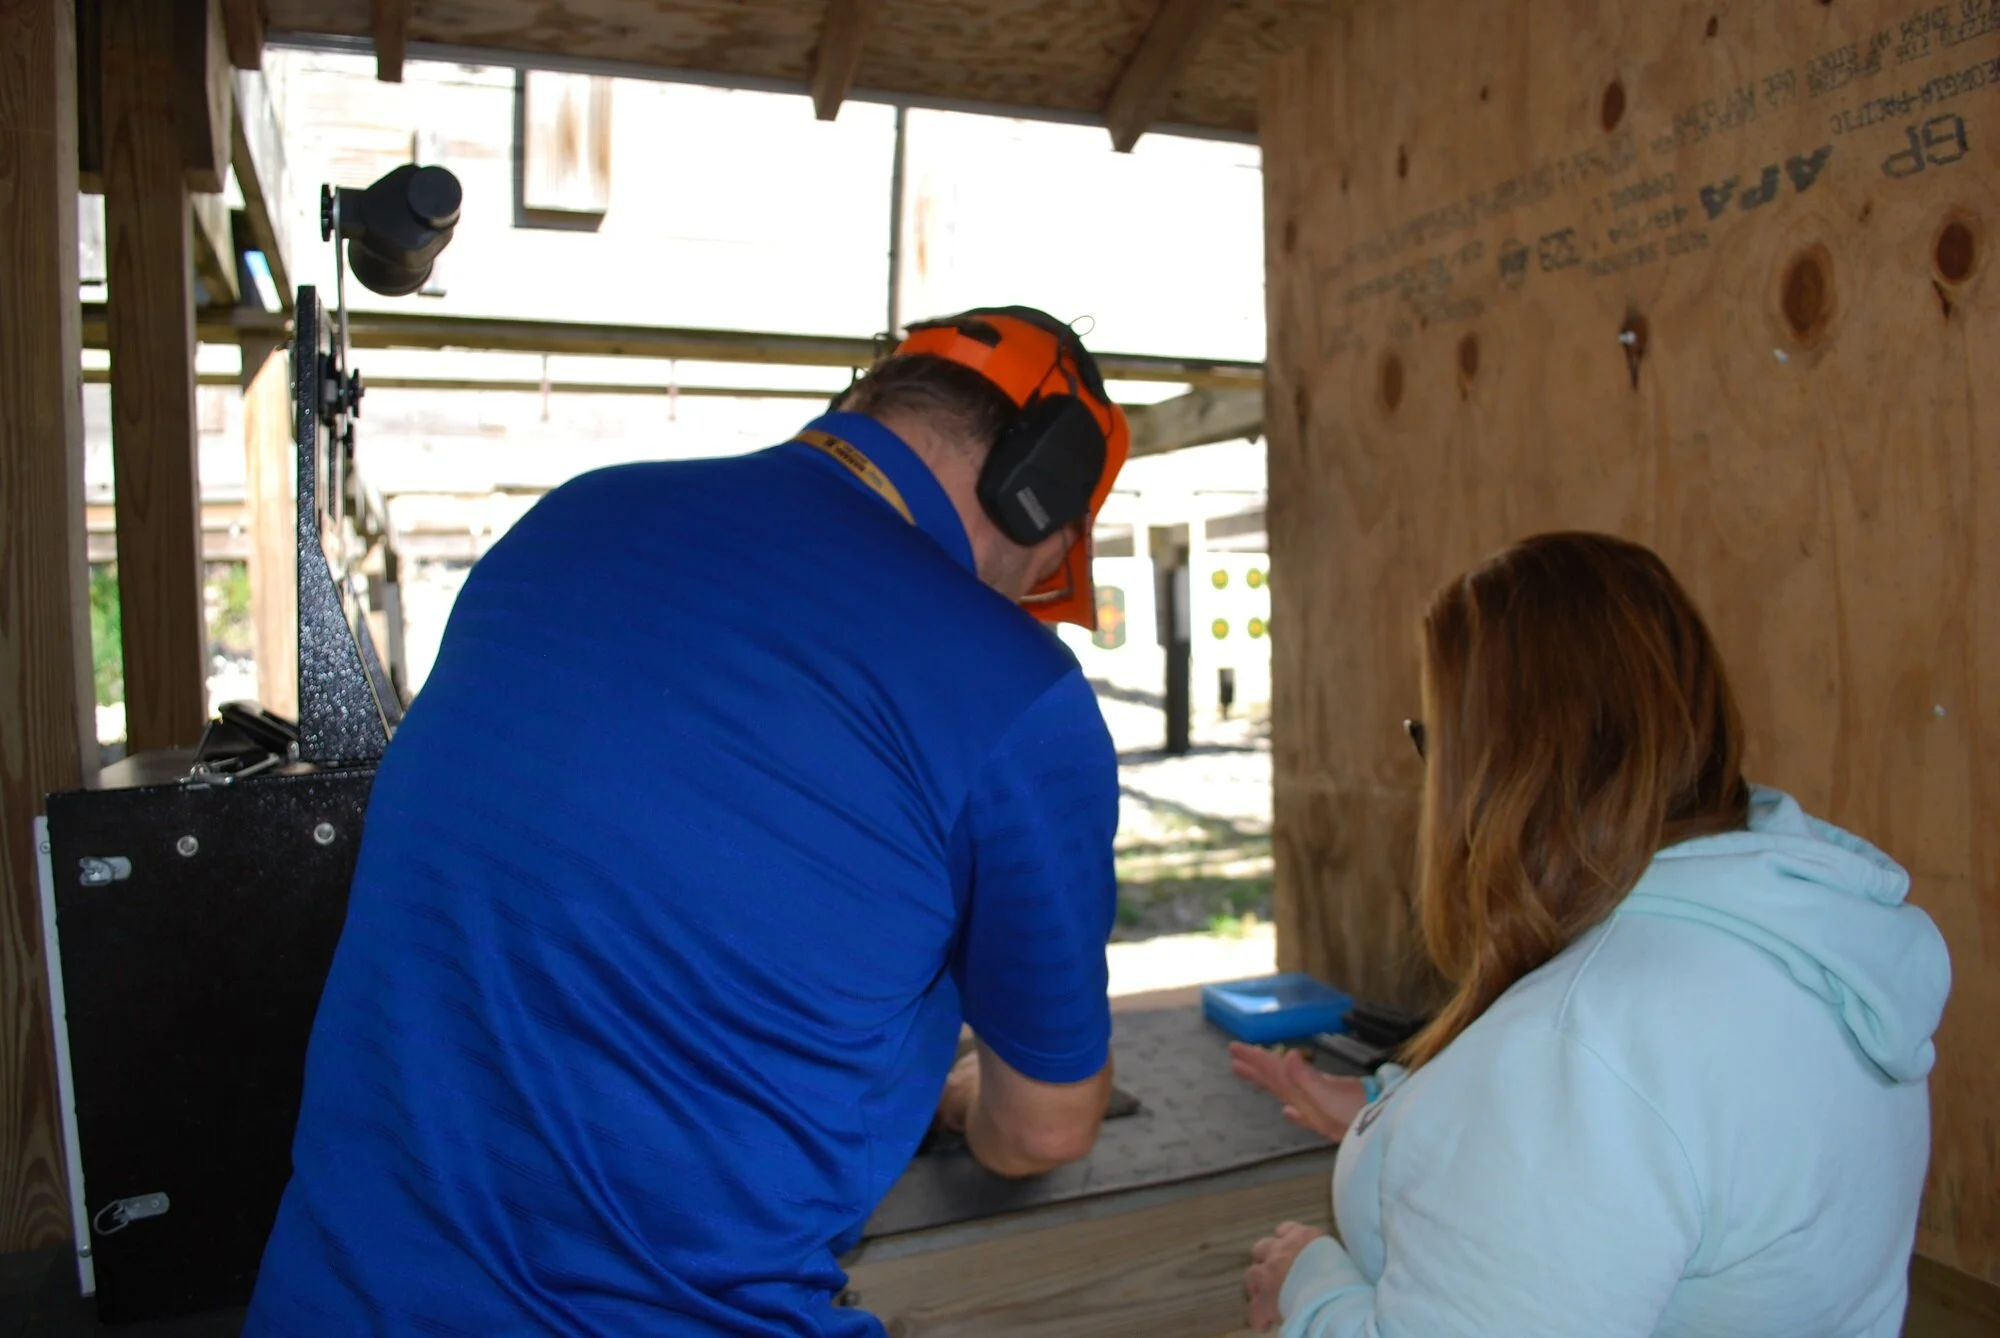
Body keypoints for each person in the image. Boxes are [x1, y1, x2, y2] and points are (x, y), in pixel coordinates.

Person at [243, 306, 1132, 1336]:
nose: (1022, 598)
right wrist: (973, 1102)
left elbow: (636, 925)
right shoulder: (1015, 690)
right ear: (1044, 494)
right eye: (1047, 562)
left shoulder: (568, 524)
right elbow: (1045, 1128)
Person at [1234, 532, 1951, 1337]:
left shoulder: (1578, 1051)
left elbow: (1594, 1098)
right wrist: (1405, 1115)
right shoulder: (1800, 937)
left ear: (1499, 767)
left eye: (1435, 738)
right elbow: (1659, 1147)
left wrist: (1311, 1291)